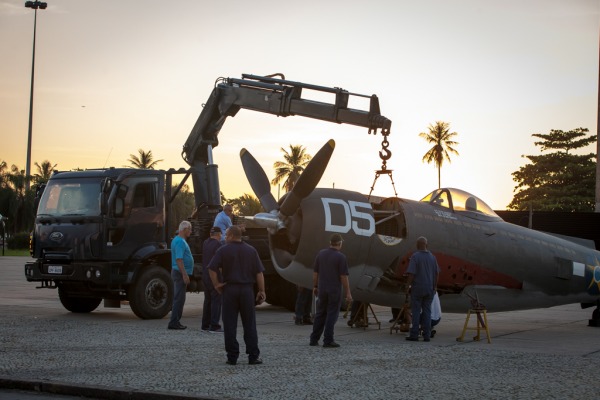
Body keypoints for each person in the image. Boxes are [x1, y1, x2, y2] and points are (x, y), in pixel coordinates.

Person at [208, 225, 266, 365]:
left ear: (232, 236)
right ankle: (253, 356)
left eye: (226, 235)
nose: (225, 237)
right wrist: (261, 290)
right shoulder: (251, 251)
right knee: (249, 324)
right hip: (247, 290)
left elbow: (211, 268)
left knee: (229, 324)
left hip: (230, 289)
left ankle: (232, 356)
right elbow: (259, 273)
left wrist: (216, 285)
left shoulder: (222, 250)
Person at [309, 233, 353, 348]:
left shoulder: (321, 254)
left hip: (322, 288)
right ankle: (328, 340)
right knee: (332, 314)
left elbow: (315, 273)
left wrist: (315, 286)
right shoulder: (341, 257)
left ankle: (314, 339)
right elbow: (343, 277)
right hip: (334, 289)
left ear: (330, 243)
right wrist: (348, 292)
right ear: (339, 243)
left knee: (320, 313)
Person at [405, 236, 440, 342]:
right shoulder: (432, 257)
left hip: (418, 288)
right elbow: (437, 273)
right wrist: (435, 286)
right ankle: (427, 335)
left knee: (415, 311)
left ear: (417, 245)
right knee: (427, 312)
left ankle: (414, 335)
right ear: (426, 245)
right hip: (430, 288)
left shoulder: (415, 256)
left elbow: (411, 273)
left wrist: (407, 285)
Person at [168, 220, 194, 330]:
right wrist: (184, 274)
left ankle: (176, 321)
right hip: (179, 273)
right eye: (190, 229)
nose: (191, 232)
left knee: (180, 298)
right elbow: (179, 259)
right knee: (179, 299)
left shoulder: (179, 240)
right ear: (184, 230)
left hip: (178, 272)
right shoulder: (179, 242)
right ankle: (174, 322)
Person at [201, 226, 223, 333]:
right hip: (214, 275)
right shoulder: (218, 245)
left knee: (208, 300)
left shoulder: (206, 243)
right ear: (218, 234)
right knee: (216, 300)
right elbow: (220, 262)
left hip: (205, 275)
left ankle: (205, 325)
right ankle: (214, 325)